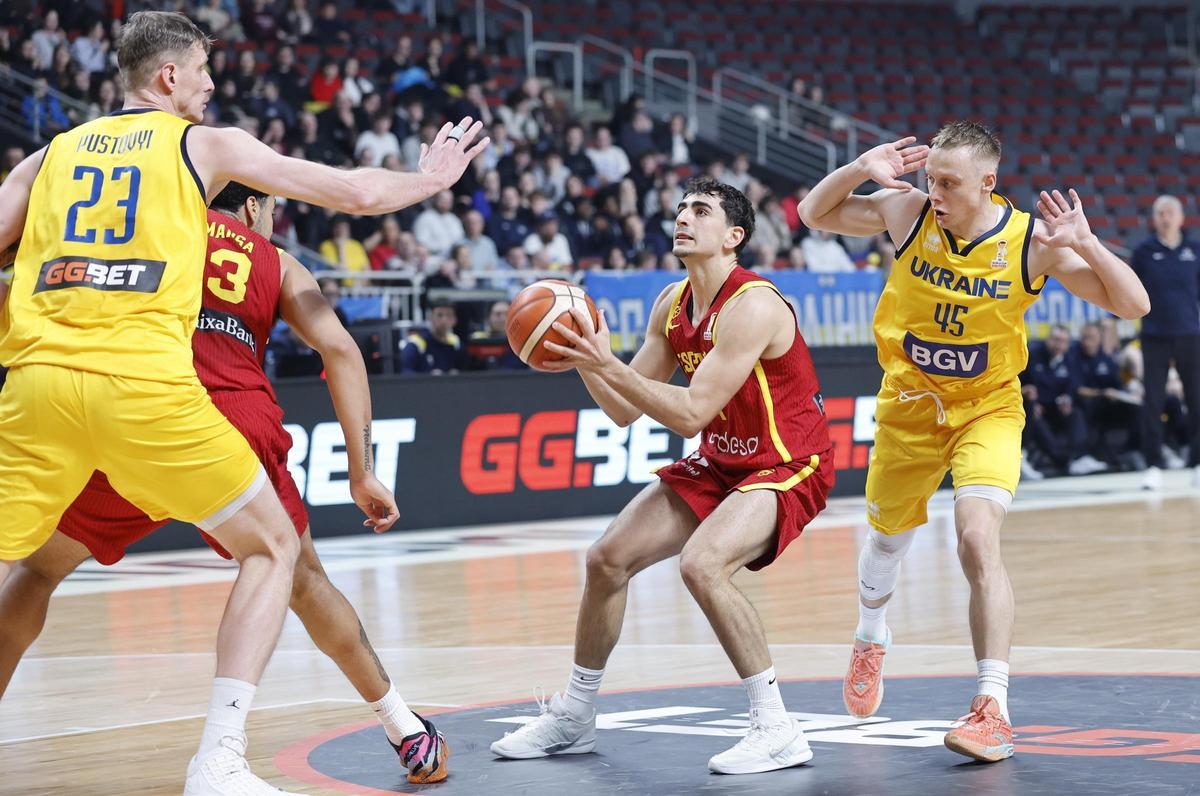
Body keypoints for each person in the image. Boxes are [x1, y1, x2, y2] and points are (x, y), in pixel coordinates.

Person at [0, 11, 485, 794]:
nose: (211, 86)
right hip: (152, 395)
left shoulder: (48, 156)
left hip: (38, 388)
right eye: (202, 73)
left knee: (25, 572)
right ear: (168, 78)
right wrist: (431, 179)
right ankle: (222, 760)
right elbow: (354, 194)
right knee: (276, 551)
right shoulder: (208, 152)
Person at [798, 121, 1148, 763]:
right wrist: (858, 168)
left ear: (987, 183)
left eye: (950, 183)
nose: (935, 191)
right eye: (932, 178)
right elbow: (812, 212)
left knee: (976, 536)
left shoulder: (1028, 244)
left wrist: (1089, 245)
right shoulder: (905, 213)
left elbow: (1134, 305)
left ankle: (993, 706)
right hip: (908, 408)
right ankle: (871, 635)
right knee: (885, 545)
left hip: (986, 408)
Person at [490, 177, 835, 774]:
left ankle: (777, 727)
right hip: (722, 460)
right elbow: (623, 409)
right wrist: (580, 355)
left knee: (702, 564)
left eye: (700, 210)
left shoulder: (754, 304)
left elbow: (690, 413)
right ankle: (574, 715)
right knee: (606, 559)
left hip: (787, 461)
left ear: (735, 237)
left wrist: (605, 364)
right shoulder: (671, 304)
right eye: (679, 209)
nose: (683, 217)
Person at [1130, 195, 1200, 490]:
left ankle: (1196, 464)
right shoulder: (1144, 252)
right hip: (1154, 335)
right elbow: (1130, 290)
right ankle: (1153, 466)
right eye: (1160, 213)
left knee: (1196, 400)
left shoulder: (1194, 250)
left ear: (1181, 218)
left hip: (1190, 334)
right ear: (1154, 218)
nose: (1166, 217)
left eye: (1170, 212)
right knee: (1153, 401)